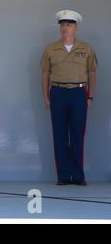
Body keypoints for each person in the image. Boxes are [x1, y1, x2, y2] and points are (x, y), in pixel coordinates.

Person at [40, 10, 98, 186]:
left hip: (79, 94)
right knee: (59, 135)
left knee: (78, 134)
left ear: (76, 28)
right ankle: (64, 175)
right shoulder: (50, 48)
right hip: (57, 92)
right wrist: (46, 97)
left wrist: (90, 97)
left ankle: (78, 175)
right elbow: (45, 74)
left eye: (69, 25)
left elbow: (92, 73)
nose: (65, 28)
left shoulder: (86, 48)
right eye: (62, 25)